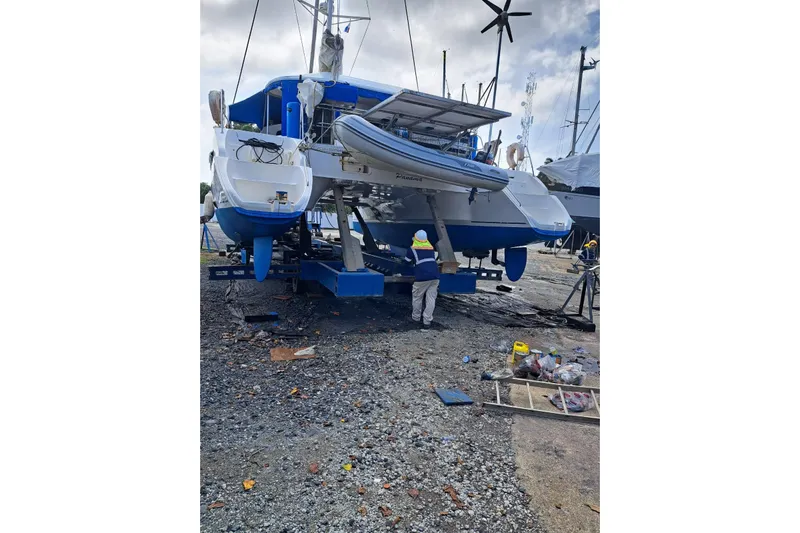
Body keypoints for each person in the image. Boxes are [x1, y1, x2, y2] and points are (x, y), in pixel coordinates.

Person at [404, 230, 439, 329]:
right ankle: (427, 321)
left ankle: (416, 318)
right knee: (431, 299)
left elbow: (406, 261)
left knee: (417, 297)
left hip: (422, 277)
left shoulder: (412, 249)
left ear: (415, 238)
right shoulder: (430, 248)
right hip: (435, 276)